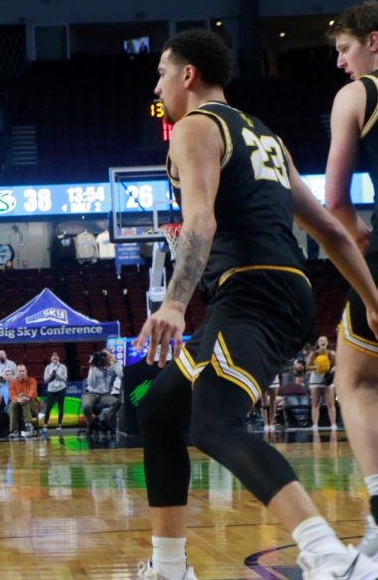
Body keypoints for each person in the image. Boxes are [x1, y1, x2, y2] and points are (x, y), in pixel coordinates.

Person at [134, 29, 378, 579]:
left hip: (251, 289)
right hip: (286, 289)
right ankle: (170, 569)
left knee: (215, 423)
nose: (159, 84)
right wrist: (373, 299)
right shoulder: (264, 135)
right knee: (159, 410)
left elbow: (200, 220)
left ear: (188, 75)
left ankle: (330, 558)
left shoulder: (195, 126)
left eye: (162, 73)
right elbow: (331, 233)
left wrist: (175, 303)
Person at [325, 0, 378, 558]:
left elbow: (335, 200)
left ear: (374, 42)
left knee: (358, 381)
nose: (341, 62)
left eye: (344, 49)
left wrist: (359, 233)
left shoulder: (359, 94)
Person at [305, 336, 337, 430]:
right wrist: (317, 367)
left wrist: (330, 370)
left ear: (327, 343)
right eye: (321, 340)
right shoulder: (313, 354)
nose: (323, 342)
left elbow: (336, 365)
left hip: (327, 378)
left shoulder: (331, 353)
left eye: (325, 340)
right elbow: (307, 367)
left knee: (330, 403)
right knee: (315, 403)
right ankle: (315, 425)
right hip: (315, 378)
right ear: (318, 343)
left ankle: (333, 424)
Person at [7, 364, 39, 439]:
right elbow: (12, 396)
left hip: (33, 408)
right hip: (19, 407)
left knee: (24, 398)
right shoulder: (12, 383)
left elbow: (32, 391)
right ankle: (13, 431)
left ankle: (28, 426)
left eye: (23, 371)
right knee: (13, 404)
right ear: (17, 373)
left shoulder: (32, 380)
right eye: (20, 371)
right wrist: (18, 399)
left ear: (26, 371)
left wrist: (26, 398)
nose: (22, 372)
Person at [40, 352, 69, 430]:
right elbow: (45, 380)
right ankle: (45, 424)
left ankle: (59, 424)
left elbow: (65, 379)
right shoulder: (48, 367)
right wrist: (51, 375)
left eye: (56, 358)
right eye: (53, 358)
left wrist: (58, 375)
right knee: (48, 407)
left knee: (60, 406)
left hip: (61, 388)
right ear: (51, 359)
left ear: (58, 358)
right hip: (51, 389)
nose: (55, 359)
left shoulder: (63, 367)